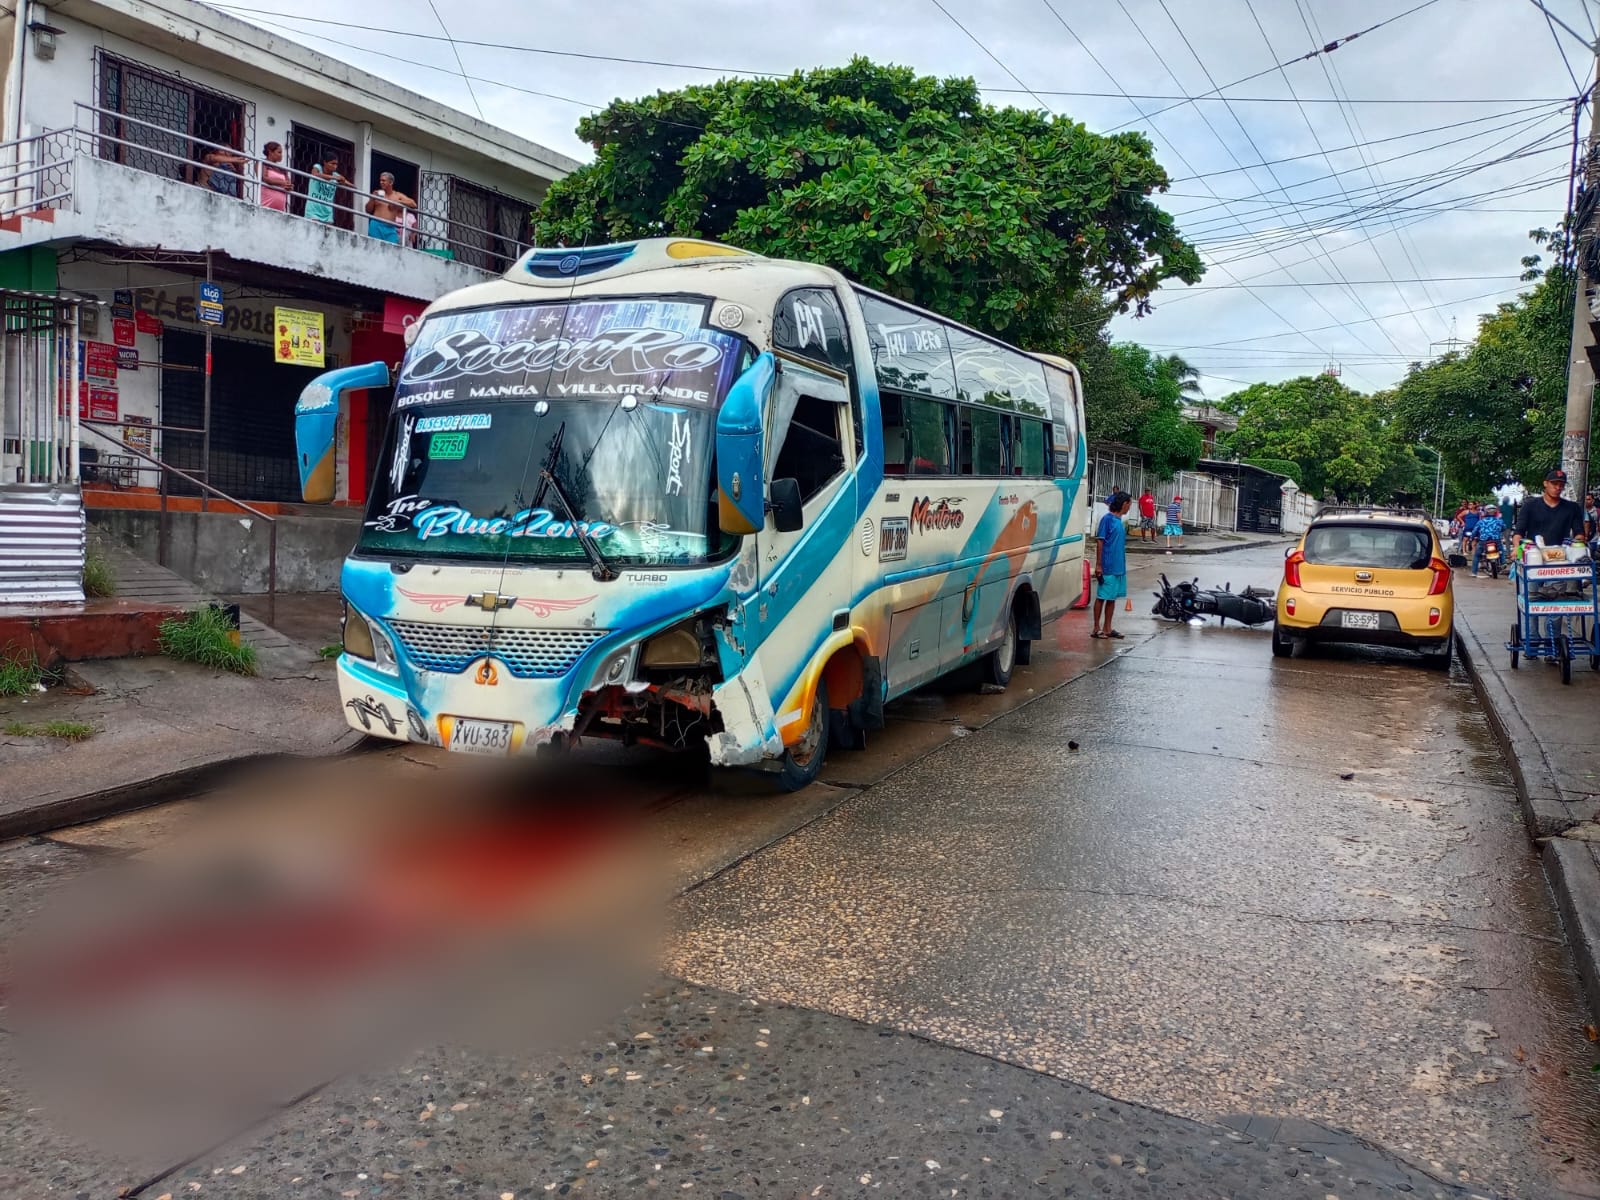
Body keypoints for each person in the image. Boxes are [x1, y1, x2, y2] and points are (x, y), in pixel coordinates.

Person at [1514, 468, 1586, 554]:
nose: (1558, 487)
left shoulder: (1572, 507)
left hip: (1562, 555)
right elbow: (1519, 532)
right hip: (1534, 555)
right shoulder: (1529, 505)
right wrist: (1516, 548)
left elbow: (1579, 533)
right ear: (1545, 483)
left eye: (1561, 485)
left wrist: (1579, 544)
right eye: (1554, 484)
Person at [1092, 491, 1131, 640]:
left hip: (1118, 567)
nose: (1129, 508)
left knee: (1112, 598)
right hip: (1107, 566)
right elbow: (1100, 541)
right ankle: (1096, 628)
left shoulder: (1119, 521)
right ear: (1124, 504)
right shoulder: (1107, 520)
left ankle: (1107, 628)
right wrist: (1099, 565)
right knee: (1102, 596)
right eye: (1129, 504)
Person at [365, 171, 416, 244]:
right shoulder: (377, 193)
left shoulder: (397, 195)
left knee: (393, 249)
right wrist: (372, 198)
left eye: (383, 180)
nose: (381, 182)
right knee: (375, 249)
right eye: (380, 180)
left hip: (390, 228)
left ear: (391, 183)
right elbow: (368, 210)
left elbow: (413, 204)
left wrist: (398, 202)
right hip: (376, 225)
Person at [305, 153, 350, 224]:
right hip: (313, 210)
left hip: (328, 213)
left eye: (336, 164)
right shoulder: (318, 167)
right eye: (332, 163)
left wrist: (343, 181)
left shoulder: (336, 175)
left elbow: (350, 185)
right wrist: (334, 178)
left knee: (327, 234)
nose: (335, 166)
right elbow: (315, 174)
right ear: (325, 162)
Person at [1471, 505, 1505, 578]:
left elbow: (1475, 531)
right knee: (1501, 550)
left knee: (1477, 555)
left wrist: (1472, 537)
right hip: (1496, 540)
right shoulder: (1499, 521)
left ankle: (1474, 572)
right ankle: (1503, 563)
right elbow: (1503, 528)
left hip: (1483, 541)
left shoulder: (1481, 521)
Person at [258, 141, 292, 212]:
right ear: (270, 152)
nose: (281, 155)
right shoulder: (263, 163)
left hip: (281, 207)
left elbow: (288, 183)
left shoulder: (282, 169)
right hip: (267, 203)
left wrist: (289, 186)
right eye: (279, 152)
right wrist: (282, 183)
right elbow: (264, 178)